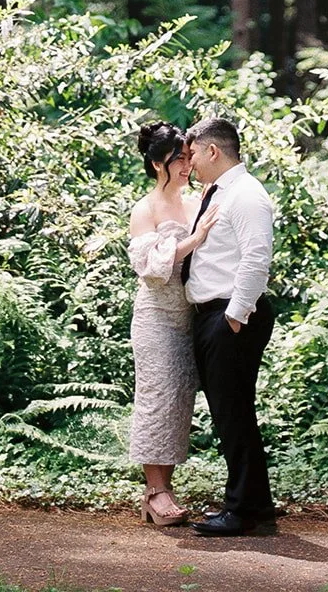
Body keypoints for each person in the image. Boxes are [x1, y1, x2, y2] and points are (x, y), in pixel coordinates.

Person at [182, 116, 276, 537]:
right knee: (231, 414)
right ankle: (255, 505)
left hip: (232, 317)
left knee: (233, 413)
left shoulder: (247, 195)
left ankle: (242, 510)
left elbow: (257, 258)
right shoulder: (221, 192)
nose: (191, 163)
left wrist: (233, 318)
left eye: (194, 153)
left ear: (213, 150)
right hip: (216, 315)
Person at [127, 121, 221, 526]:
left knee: (179, 401)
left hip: (192, 314)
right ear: (156, 163)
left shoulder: (197, 199)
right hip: (156, 316)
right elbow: (149, 268)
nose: (186, 165)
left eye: (187, 157)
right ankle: (155, 492)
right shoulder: (145, 209)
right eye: (178, 159)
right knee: (156, 398)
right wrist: (194, 238)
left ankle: (166, 489)